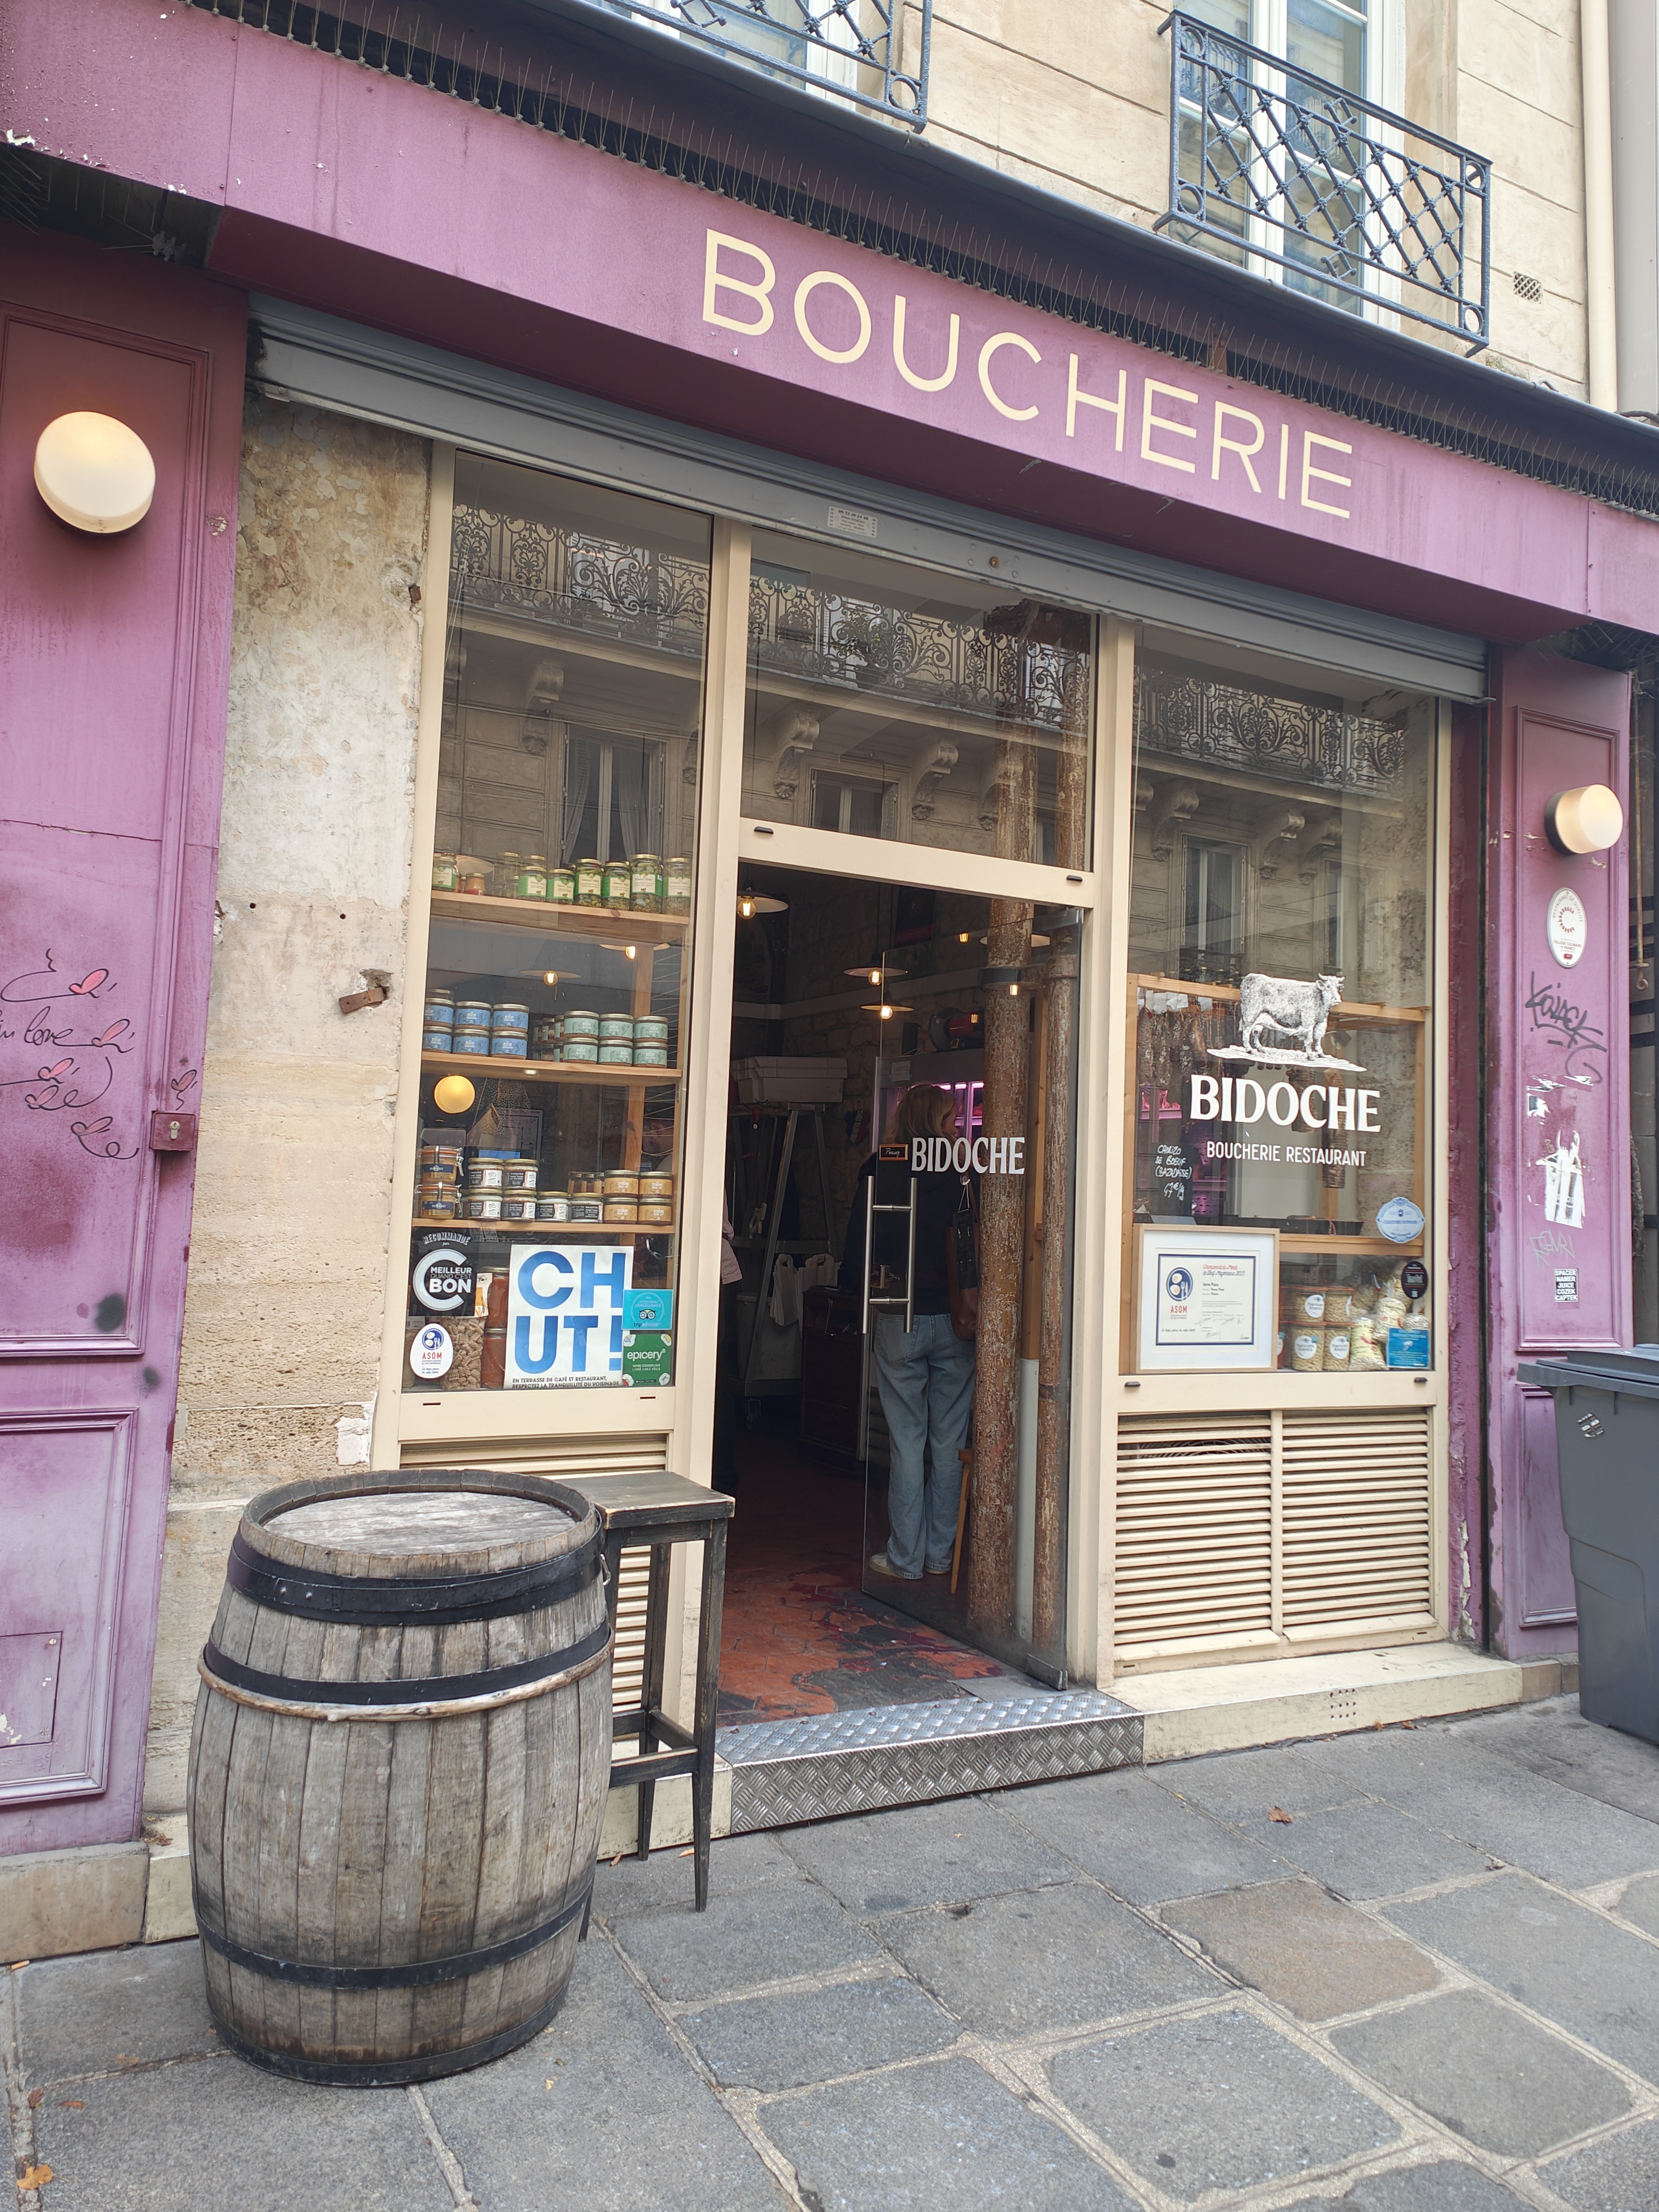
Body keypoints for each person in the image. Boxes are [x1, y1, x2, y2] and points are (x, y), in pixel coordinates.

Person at [842, 1084, 976, 1582]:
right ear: (939, 1123)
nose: (957, 1127)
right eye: (952, 1119)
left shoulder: (882, 1167)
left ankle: (904, 1558)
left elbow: (858, 1247)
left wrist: (855, 1297)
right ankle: (941, 1556)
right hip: (955, 1319)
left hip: (899, 1316)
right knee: (948, 1442)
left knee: (906, 1441)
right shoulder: (964, 1170)